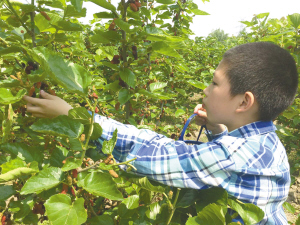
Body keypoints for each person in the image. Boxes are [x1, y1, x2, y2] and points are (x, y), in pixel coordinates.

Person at [23, 42, 298, 224]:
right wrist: (217, 131)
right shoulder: (264, 142)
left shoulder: (233, 155)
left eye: (214, 83)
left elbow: (162, 154)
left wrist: (83, 119)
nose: (205, 89)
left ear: (243, 102)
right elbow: (233, 164)